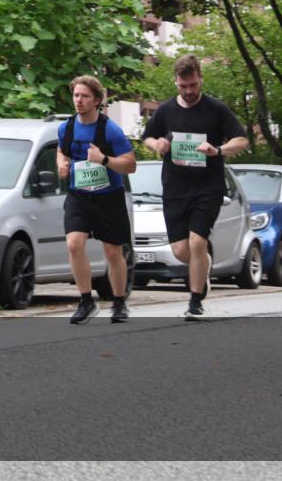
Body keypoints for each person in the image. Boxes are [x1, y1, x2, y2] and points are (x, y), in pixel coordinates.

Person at [142, 54, 249, 320]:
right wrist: (157, 145)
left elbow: (242, 140)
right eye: (183, 86)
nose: (188, 91)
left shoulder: (216, 109)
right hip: (175, 188)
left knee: (197, 241)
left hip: (207, 188)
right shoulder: (165, 111)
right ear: (176, 82)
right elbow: (147, 137)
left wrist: (218, 150)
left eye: (193, 85)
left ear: (201, 78)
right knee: (181, 251)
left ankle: (195, 300)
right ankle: (204, 267)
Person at [55, 76, 137, 324]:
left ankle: (119, 302)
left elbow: (130, 165)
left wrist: (104, 159)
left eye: (85, 96)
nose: (79, 100)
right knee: (74, 244)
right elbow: (61, 151)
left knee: (112, 251)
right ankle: (86, 301)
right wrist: (62, 165)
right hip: (79, 195)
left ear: (97, 100)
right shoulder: (66, 128)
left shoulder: (111, 130)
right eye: (76, 95)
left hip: (108, 196)